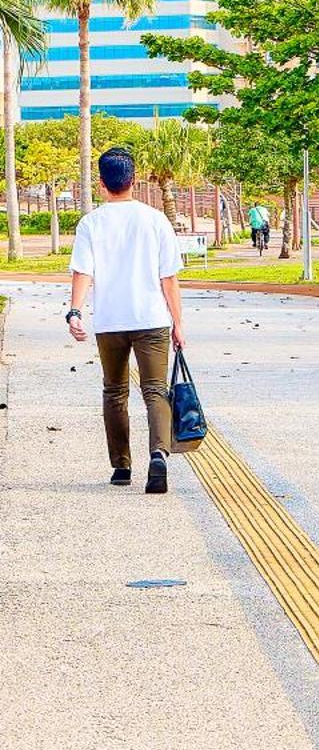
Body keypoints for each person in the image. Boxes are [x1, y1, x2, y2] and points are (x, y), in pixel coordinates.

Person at [66, 145, 186, 494]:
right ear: (134, 180)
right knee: (155, 390)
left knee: (114, 391)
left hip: (110, 321)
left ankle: (121, 467)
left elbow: (82, 272)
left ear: (101, 183)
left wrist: (75, 311)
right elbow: (169, 278)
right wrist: (178, 322)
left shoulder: (91, 223)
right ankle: (159, 454)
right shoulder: (155, 219)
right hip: (151, 318)